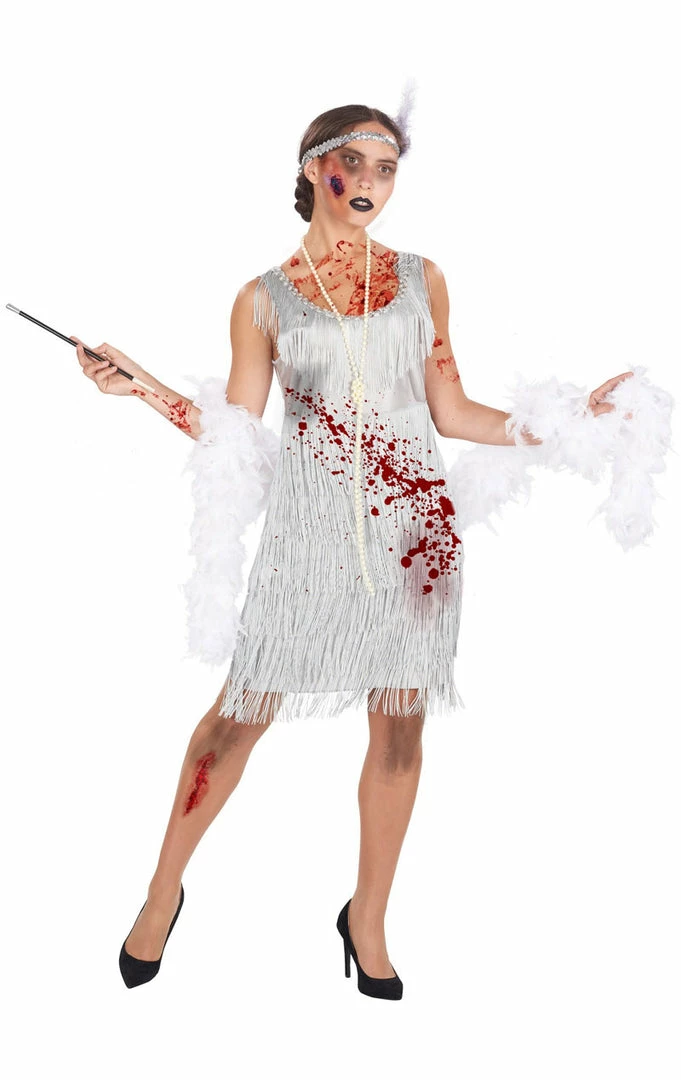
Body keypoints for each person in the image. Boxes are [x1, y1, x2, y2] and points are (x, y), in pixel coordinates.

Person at [70, 103, 635, 1000]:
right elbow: (234, 434)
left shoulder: (421, 279)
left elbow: (454, 411)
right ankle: (161, 890)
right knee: (235, 719)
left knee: (400, 727)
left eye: (387, 167)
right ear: (311, 170)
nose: (370, 181)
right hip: (307, 538)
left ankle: (366, 916)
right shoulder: (262, 299)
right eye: (354, 163)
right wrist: (136, 386)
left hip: (415, 539)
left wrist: (569, 421)